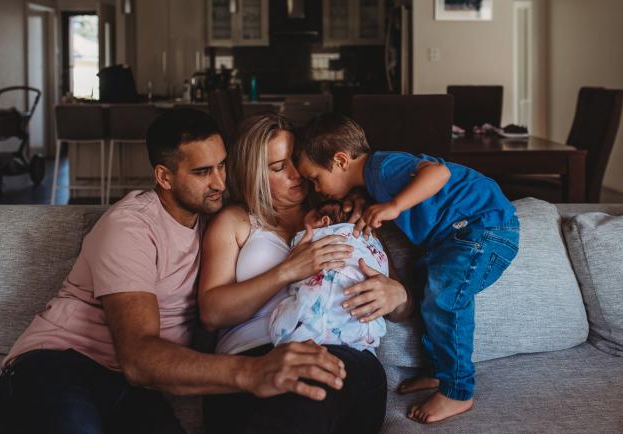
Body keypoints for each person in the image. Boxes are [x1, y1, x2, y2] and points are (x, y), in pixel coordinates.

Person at [0, 109, 347, 434]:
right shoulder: (130, 226)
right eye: (203, 172)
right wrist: (252, 372)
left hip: (129, 390)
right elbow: (139, 356)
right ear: (164, 176)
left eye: (222, 166)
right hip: (56, 368)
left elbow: (269, 205)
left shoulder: (218, 219)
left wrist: (353, 202)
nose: (220, 183)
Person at [295, 113, 520, 424]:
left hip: (484, 226)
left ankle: (458, 391)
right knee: (424, 282)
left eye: (314, 178)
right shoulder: (370, 184)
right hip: (454, 237)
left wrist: (394, 206)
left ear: (340, 160)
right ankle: (439, 372)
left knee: (445, 297)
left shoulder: (384, 167)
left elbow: (438, 173)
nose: (316, 189)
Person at [199, 114, 411, 434]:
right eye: (278, 167)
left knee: (318, 393)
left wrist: (398, 295)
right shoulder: (236, 221)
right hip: (250, 359)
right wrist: (288, 270)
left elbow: (402, 307)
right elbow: (212, 314)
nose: (296, 174)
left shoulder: (344, 213)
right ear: (253, 174)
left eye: (296, 160)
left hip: (341, 352)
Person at [269, 199, 390, 352]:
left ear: (324, 221)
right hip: (363, 325)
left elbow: (296, 262)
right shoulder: (374, 243)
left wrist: (297, 248)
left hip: (319, 314)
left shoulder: (314, 235)